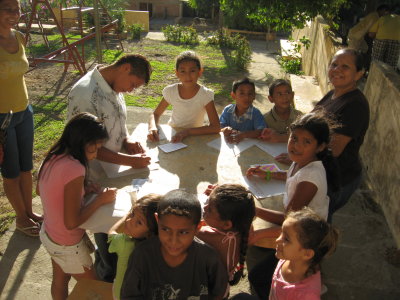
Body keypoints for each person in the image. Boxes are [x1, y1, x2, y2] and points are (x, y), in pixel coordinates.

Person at [67, 54, 152, 282]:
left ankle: (115, 267)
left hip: (114, 173)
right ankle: (108, 276)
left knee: (122, 218)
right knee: (105, 228)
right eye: (133, 84)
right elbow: (87, 145)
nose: (131, 90)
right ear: (124, 68)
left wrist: (126, 141)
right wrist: (131, 162)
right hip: (95, 177)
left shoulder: (113, 86)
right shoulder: (86, 93)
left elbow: (115, 121)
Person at [245, 111, 338, 299]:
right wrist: (267, 174)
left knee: (258, 276)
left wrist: (254, 210)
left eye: (306, 142)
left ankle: (310, 283)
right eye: (294, 138)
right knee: (261, 274)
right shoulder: (301, 162)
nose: (296, 145)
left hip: (305, 235)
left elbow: (288, 218)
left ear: (320, 146)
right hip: (300, 227)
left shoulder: (310, 178)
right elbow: (290, 176)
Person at [37, 113, 117, 300]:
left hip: (50, 235)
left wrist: (82, 191)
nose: (96, 154)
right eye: (94, 148)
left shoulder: (53, 156)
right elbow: (72, 222)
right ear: (81, 142)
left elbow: (42, 191)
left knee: (60, 278)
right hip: (67, 243)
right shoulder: (75, 168)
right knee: (96, 288)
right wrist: (100, 200)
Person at [120, 189, 228, 299]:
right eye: (166, 229)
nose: (173, 241)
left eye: (183, 232)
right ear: (157, 220)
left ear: (198, 228)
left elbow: (220, 293)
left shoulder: (208, 258)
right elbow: (129, 295)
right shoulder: (142, 255)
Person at [231, 207, 339, 300]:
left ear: (307, 254)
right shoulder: (286, 258)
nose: (277, 240)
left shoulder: (306, 295)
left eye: (286, 239)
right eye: (281, 233)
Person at [0, 0, 42, 237]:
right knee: (11, 171)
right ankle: (20, 218)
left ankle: (29, 211)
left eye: (17, 9)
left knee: (26, 168)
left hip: (24, 112)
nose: (14, 14)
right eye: (8, 8)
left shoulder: (18, 37)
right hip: (1, 118)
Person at [314, 48, 369, 220]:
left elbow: (334, 149)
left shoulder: (355, 105)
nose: (337, 70)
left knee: (317, 224)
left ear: (359, 74)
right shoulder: (333, 93)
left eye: (345, 67)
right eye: (334, 64)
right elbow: (312, 128)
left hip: (338, 178)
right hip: (321, 171)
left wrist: (300, 152)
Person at [147, 50, 220, 143]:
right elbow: (155, 114)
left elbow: (216, 127)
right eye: (183, 71)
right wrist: (152, 127)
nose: (188, 75)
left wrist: (187, 132)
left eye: (192, 71)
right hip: (174, 135)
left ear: (200, 72)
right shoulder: (171, 91)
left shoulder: (205, 94)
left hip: (195, 136)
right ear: (177, 73)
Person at [197, 184, 255, 296]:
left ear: (227, 224)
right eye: (207, 202)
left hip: (208, 290)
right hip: (223, 289)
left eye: (209, 209)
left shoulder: (205, 235)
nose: (204, 207)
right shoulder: (243, 228)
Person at [108, 193, 161, 300]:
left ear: (150, 233)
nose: (129, 221)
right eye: (132, 215)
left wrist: (127, 214)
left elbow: (111, 232)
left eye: (139, 222)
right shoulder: (161, 249)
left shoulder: (124, 243)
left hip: (121, 295)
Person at [219, 78, 266, 144]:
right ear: (233, 95)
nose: (246, 97)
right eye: (242, 93)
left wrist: (243, 135)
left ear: (254, 96)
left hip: (249, 148)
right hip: (230, 146)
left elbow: (261, 131)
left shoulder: (255, 113)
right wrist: (224, 130)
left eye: (250, 94)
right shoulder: (228, 110)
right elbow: (219, 126)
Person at [260, 79, 302, 143]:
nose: (284, 97)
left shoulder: (300, 117)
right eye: (279, 94)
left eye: (287, 93)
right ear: (271, 99)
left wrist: (280, 138)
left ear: (292, 95)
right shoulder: (265, 120)